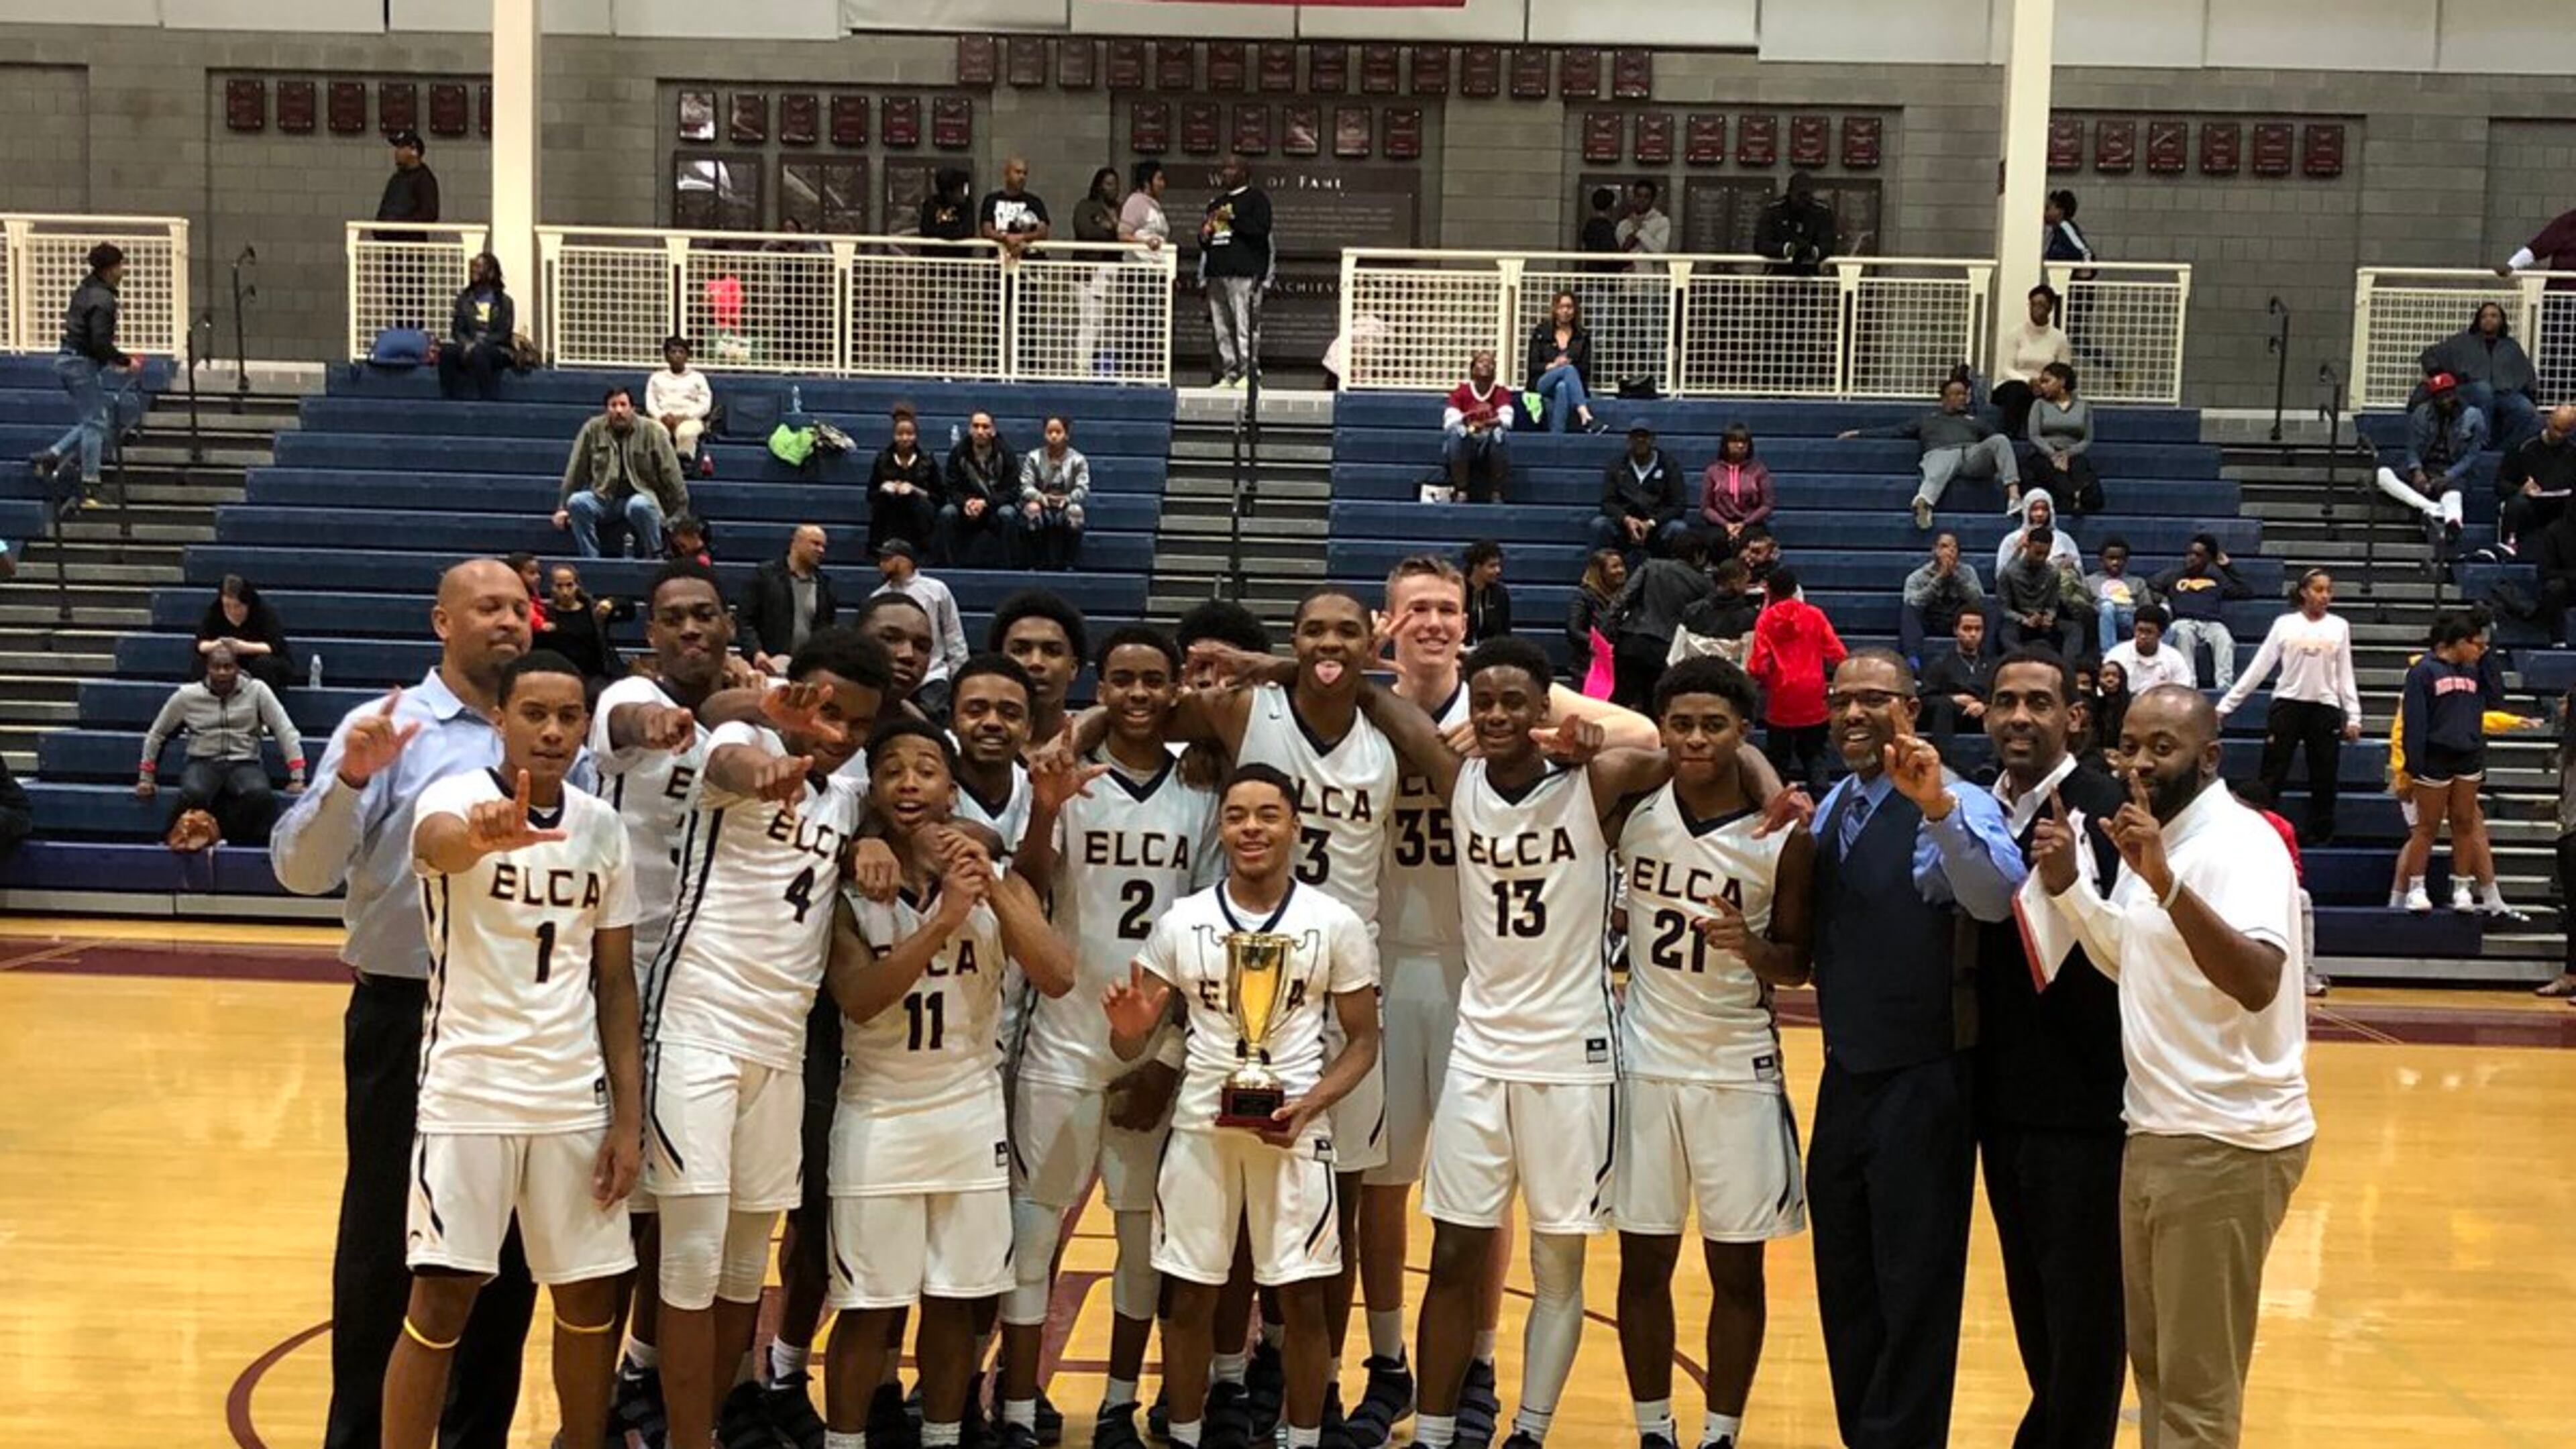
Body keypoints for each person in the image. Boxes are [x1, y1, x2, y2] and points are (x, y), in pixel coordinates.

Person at [1350, 637, 1680, 1449]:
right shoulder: (1459, 780)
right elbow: (1381, 704)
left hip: (1573, 1055)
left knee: (1557, 1264)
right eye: (1485, 701)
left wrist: (1596, 734)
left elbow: (1692, 748)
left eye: (1515, 703)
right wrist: (1334, 661)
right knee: (1456, 1251)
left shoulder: (1591, 783)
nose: (1496, 715)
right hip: (1480, 1048)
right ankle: (1433, 1431)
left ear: (1543, 711)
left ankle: (1528, 1430)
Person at [270, 558, 547, 1449]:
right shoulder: (386, 728)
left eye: (519, 607)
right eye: (489, 607)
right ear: (442, 623)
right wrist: (351, 782)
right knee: (388, 1246)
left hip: (521, 1021)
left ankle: (477, 1438)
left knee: (505, 1258)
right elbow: (301, 874)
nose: (511, 620)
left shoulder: (546, 733)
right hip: (408, 1016)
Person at [2025, 684, 2312, 1449]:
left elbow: (2256, 980)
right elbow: (2137, 960)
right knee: (2155, 1371)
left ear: (2210, 756)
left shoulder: (2238, 844)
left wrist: (2167, 883)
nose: (2141, 764)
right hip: (2156, 1130)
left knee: (2196, 1392)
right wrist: (2074, 891)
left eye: (2164, 747)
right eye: (2131, 745)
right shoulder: (2157, 839)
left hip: (2227, 1141)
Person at [382, 651, 641, 1449]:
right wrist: (479, 839)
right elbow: (437, 846)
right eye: (535, 713)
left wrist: (628, 1122)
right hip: (471, 1089)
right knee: (443, 1295)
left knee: (591, 1297)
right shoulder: (455, 798)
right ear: (500, 718)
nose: (554, 731)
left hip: (572, 1093)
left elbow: (617, 983)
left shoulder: (602, 826)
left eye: (569, 716)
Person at [641, 628, 887, 1449]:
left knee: (747, 1265)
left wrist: (881, 835)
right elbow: (725, 757)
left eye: (858, 722)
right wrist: (771, 746)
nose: (841, 733)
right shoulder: (742, 743)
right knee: (691, 1256)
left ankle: (704, 1426)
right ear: (793, 697)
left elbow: (888, 792)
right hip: (697, 1029)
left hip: (781, 1049)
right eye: (828, 712)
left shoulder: (850, 796)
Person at [1101, 762, 1381, 1449]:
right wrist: (1131, 1027)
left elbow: (1365, 1042)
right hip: (1201, 1129)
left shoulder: (1334, 922)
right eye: (1236, 816)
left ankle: (1307, 1437)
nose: (1251, 828)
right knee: (1192, 1296)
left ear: (1294, 826)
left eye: (1267, 814)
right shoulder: (1184, 920)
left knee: (1304, 1300)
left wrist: (1311, 1105)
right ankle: (1189, 1433)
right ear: (1221, 827)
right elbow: (1132, 1034)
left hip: (1295, 1133)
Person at [821, 720, 1073, 1449]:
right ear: (873, 791)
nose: (909, 783)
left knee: (959, 1302)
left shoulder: (997, 880)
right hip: (878, 1114)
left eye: (926, 770)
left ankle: (941, 1436)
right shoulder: (851, 887)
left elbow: (1057, 975)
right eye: (893, 770)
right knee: (869, 1307)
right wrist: (941, 923)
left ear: (951, 789)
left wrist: (988, 890)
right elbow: (860, 997)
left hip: (968, 1114)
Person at [1803, 650, 2026, 1449]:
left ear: (1910, 708)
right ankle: (1864, 1432)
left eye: (1874, 700)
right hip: (1845, 1072)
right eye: (1841, 701)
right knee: (1848, 1276)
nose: (1854, 714)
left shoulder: (1956, 798)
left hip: (1926, 1072)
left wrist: (1934, 808)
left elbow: (1997, 899)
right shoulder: (1832, 806)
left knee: (1916, 1282)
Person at [1000, 625, 1213, 1448]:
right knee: (1033, 1228)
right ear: (1101, 686)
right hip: (1059, 1034)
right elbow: (1024, 886)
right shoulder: (1055, 779)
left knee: (1138, 1235)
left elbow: (1204, 936)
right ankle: (1017, 1406)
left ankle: (1122, 1402)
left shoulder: (1200, 790)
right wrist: (1047, 810)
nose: (1135, 694)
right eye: (1120, 678)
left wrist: (1166, 1055)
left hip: (1147, 1043)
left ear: (1172, 692)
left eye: (1152, 680)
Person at [1610, 656, 1815, 1449]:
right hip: (1646, 1061)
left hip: (1736, 1069)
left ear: (1743, 732)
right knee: (1643, 1265)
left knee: (1738, 1272)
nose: (1696, 738)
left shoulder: (1783, 840)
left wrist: (1750, 947)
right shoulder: (1631, 807)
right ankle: (1652, 1429)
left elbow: (1798, 964)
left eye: (1715, 724)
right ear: (1663, 728)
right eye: (1682, 723)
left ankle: (1721, 1432)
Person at [1974, 648, 2129, 1449]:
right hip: (1999, 1101)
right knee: (2032, 1297)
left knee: (2087, 1308)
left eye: (2040, 702)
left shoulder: (2106, 810)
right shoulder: (1970, 804)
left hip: (2087, 1102)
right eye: (2006, 702)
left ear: (2075, 716)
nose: (2020, 717)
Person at [2216, 568, 2362, 847]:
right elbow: (2259, 666)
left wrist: (2353, 715)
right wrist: (2226, 706)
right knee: (2273, 770)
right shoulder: (2285, 624)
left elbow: (2346, 673)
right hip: (2288, 703)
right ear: (2304, 592)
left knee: (2324, 773)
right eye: (2319, 590)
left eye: (2328, 591)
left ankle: (2320, 831)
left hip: (2325, 705)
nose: (2325, 596)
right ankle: (2264, 827)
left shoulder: (2339, 626)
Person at [2392, 612, 2516, 918]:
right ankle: (2417, 888)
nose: (2480, 650)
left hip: (2467, 754)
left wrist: (2487, 658)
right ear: (2460, 642)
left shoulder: (2474, 670)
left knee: (2464, 823)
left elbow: (2496, 698)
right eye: (2476, 645)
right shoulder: (2423, 671)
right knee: (2427, 827)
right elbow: (2414, 720)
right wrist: (2413, 765)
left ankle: (2462, 887)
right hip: (2434, 757)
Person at [137, 641, 305, 845]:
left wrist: (298, 776)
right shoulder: (187, 696)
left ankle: (230, 842)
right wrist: (146, 777)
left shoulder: (257, 691)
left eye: (228, 667)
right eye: (217, 667)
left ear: (238, 668)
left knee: (260, 796)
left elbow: (284, 730)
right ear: (208, 669)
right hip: (202, 761)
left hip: (244, 762)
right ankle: (169, 842)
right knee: (193, 794)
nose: (222, 672)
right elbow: (157, 734)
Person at [28, 241, 138, 511]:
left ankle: (52, 455)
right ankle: (90, 485)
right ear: (110, 269)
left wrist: (108, 360)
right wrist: (123, 360)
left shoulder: (85, 290)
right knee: (97, 421)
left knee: (94, 419)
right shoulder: (104, 299)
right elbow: (99, 340)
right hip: (80, 363)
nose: (124, 270)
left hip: (70, 359)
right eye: (121, 265)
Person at [1841, 376, 2021, 531]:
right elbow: (1896, 431)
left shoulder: (1975, 421)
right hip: (1940, 453)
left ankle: (2014, 497)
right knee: (1944, 459)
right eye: (1956, 394)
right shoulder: (1928, 419)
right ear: (1944, 398)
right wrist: (1860, 433)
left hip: (1971, 456)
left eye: (1964, 395)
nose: (1962, 398)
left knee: (2001, 440)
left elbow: (1997, 443)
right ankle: (1924, 503)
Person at [554, 387, 689, 560]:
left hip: (640, 495)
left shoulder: (652, 431)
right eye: (613, 405)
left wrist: (679, 515)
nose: (619, 410)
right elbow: (576, 470)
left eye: (623, 405)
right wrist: (563, 507)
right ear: (606, 409)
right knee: (577, 502)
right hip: (603, 497)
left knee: (639, 506)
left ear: (632, 408)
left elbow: (671, 473)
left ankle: (655, 556)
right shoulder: (591, 429)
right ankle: (591, 560)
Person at [1747, 568, 1847, 794]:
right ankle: (1820, 806)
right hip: (1813, 696)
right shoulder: (1814, 615)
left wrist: (1763, 681)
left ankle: (1776, 805)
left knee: (1778, 761)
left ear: (1769, 590)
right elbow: (1838, 653)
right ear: (1795, 590)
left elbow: (1758, 665)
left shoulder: (1766, 620)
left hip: (1781, 699)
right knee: (1815, 756)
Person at [1606, 533, 1717, 710]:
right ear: (1699, 555)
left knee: (1618, 704)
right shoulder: (1704, 585)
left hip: (1631, 641)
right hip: (1666, 649)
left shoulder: (1651, 566)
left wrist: (1608, 635)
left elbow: (1621, 601)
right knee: (1655, 708)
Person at [2373, 371, 2485, 538]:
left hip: (2453, 470)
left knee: (2454, 494)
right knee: (2382, 475)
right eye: (2440, 397)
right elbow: (2413, 448)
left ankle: (2453, 522)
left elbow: (2471, 456)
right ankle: (2429, 507)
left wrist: (2448, 476)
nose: (2445, 401)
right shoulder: (2422, 413)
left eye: (2448, 395)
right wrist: (2417, 471)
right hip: (2426, 465)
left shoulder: (2473, 416)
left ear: (2455, 393)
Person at [2421, 301, 2542, 454]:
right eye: (2484, 316)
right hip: (2469, 391)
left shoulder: (2511, 346)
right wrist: (2439, 375)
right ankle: (2481, 444)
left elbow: (2527, 375)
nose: (2488, 319)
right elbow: (2429, 355)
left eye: (2494, 316)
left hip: (2502, 393)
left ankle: (2502, 451)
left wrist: (2530, 393)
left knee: (2527, 410)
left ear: (2501, 321)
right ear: (2478, 320)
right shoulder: (2462, 341)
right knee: (2483, 389)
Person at [1199, 154, 1274, 389]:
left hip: (1244, 271)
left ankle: (1249, 374)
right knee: (1222, 328)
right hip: (1217, 272)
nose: (1226, 172)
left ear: (1244, 172)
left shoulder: (1256, 199)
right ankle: (1229, 373)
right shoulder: (1215, 202)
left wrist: (1233, 218)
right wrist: (1204, 234)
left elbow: (1260, 231)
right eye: (1224, 168)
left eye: (1231, 168)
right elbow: (1206, 241)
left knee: (1245, 325)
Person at [872, 539, 968, 712]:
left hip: (932, 675)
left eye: (887, 559)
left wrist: (960, 678)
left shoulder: (936, 590)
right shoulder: (877, 597)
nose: (881, 564)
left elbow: (953, 635)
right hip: (893, 677)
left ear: (904, 561)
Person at [991, 588, 1091, 747]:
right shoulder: (959, 748)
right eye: (1020, 650)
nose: (1035, 662)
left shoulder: (1095, 747)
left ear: (1073, 667)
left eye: (1052, 651)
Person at [2153, 535, 2254, 690]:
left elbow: (2245, 591)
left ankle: (2224, 688)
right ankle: (2188, 686)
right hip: (2184, 620)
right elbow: (2150, 585)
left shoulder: (2217, 578)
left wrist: (2228, 567)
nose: (2192, 558)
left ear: (2209, 559)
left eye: (2198, 555)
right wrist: (2164, 598)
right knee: (2182, 634)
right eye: (2190, 554)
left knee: (2225, 639)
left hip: (2212, 622)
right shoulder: (2175, 575)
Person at [736, 524, 838, 677]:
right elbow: (745, 620)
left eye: (824, 546)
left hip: (806, 670)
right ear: (796, 543)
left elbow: (826, 630)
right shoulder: (765, 576)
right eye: (815, 544)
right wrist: (756, 652)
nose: (821, 550)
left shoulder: (825, 585)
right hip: (767, 666)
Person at [1591, 425, 1687, 557]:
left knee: (1678, 528)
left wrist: (1652, 522)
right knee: (1600, 525)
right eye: (1636, 436)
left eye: (1645, 436)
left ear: (1653, 440)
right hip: (1624, 528)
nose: (1640, 440)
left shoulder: (1669, 465)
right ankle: (1596, 576)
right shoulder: (1617, 465)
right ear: (1629, 440)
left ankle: (1672, 576)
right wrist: (1626, 519)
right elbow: (1607, 502)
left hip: (1657, 529)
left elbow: (1679, 505)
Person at [939, 411, 1018, 566]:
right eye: (976, 426)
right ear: (970, 430)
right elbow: (951, 487)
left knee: (1008, 514)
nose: (980, 431)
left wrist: (986, 503)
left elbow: (1012, 491)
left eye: (985, 427)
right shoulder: (958, 453)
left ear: (993, 431)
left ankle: (1011, 567)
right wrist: (966, 503)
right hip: (966, 508)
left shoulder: (1006, 453)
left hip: (995, 507)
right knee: (947, 513)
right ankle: (948, 566)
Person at [1993, 285, 2073, 439]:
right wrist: (2029, 381)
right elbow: (2006, 369)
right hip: (2014, 384)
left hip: (2044, 387)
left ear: (2050, 308)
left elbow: (2064, 372)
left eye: (2041, 304)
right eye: (2033, 304)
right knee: (2018, 391)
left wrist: (2045, 385)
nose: (2036, 309)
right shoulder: (2015, 333)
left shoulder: (2059, 339)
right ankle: (2010, 435)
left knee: (2044, 397)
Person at [193, 573, 294, 691]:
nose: (232, 611)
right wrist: (218, 645)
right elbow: (200, 644)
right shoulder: (215, 612)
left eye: (238, 606)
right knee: (201, 663)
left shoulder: (263, 612)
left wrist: (243, 647)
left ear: (248, 603)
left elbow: (276, 646)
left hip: (260, 661)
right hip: (228, 659)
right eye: (227, 606)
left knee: (264, 665)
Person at [1899, 533, 1986, 669]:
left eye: (1954, 547)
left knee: (1991, 608)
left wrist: (1955, 576)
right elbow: (1914, 603)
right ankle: (1913, 660)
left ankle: (1987, 658)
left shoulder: (1968, 572)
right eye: (1944, 546)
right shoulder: (1918, 576)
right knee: (1909, 610)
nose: (1949, 551)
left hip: (1959, 620)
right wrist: (1939, 578)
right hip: (1932, 619)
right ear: (1934, 550)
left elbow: (1977, 600)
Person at [2025, 364, 2102, 515]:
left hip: (2072, 452)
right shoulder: (2039, 404)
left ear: (2062, 381)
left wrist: (2067, 454)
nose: (2042, 386)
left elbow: (2087, 439)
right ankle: (2074, 496)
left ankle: (2079, 499)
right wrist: (2053, 454)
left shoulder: (2083, 406)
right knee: (2050, 468)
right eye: (2042, 382)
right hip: (2045, 452)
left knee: (2080, 465)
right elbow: (2034, 435)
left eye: (2047, 381)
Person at [437, 252, 515, 402]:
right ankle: (448, 398)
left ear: (491, 273)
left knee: (480, 353)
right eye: (473, 267)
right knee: (447, 352)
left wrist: (478, 344)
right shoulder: (464, 299)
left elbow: (504, 334)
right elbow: (457, 330)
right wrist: (466, 343)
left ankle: (486, 399)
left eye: (479, 267)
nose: (474, 270)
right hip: (468, 346)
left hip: (496, 349)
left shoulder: (505, 302)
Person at [2498, 402, 2576, 549]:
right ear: (2548, 421)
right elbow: (2501, 484)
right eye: (2556, 428)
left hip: (2562, 507)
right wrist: (2521, 489)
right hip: (2532, 506)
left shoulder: (2573, 450)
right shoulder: (2522, 446)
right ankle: (2510, 547)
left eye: (2565, 431)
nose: (2559, 435)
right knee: (2517, 504)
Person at [867, 403, 943, 554]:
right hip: (891, 513)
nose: (905, 438)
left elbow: (940, 497)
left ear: (916, 436)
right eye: (900, 434)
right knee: (884, 499)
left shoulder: (927, 460)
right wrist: (884, 488)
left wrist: (914, 490)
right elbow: (870, 495)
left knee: (912, 499)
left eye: (909, 434)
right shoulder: (882, 460)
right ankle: (882, 550)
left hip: (919, 515)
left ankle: (922, 551)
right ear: (894, 436)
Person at [1523, 289, 1601, 434]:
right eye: (1562, 307)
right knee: (1568, 370)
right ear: (1555, 309)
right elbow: (1532, 366)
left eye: (1569, 307)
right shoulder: (1541, 332)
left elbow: (1585, 369)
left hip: (1571, 384)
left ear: (1575, 310)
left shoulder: (1582, 335)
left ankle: (1557, 436)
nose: (1566, 311)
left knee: (1563, 387)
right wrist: (1553, 366)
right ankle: (1585, 414)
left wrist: (1567, 365)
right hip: (1543, 381)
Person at [1018, 415, 1090, 571]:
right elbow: (1025, 486)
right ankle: (1035, 561)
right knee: (1031, 510)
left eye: (1058, 432)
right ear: (1044, 434)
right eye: (1050, 432)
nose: (1054, 436)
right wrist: (1040, 497)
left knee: (1076, 512)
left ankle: (1069, 562)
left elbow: (1083, 488)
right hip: (1041, 503)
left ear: (1067, 435)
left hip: (1066, 504)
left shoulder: (1078, 459)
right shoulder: (1034, 457)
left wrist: (1068, 498)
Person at [1998, 526, 2084, 656]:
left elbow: (2052, 605)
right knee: (2006, 633)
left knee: (2074, 629)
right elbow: (2004, 609)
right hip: (2019, 621)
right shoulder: (2008, 573)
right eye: (2037, 553)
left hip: (2042, 621)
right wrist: (2024, 619)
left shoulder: (2053, 573)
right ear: (2028, 547)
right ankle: (2022, 659)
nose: (2042, 558)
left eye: (2046, 554)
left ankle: (2067, 667)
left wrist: (2049, 617)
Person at [1443, 352, 1515, 504]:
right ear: (1473, 369)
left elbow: (1507, 419)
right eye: (1481, 362)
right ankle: (1461, 490)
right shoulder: (1461, 391)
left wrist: (1485, 422)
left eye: (1490, 363)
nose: (1486, 365)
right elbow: (1449, 421)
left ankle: (1496, 491)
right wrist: (1470, 418)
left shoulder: (1500, 392)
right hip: (1466, 440)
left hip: (1489, 442)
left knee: (1500, 434)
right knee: (1457, 433)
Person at [535, 564, 619, 686]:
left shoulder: (593, 610)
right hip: (560, 679)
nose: (565, 592)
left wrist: (612, 602)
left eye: (569, 585)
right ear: (552, 588)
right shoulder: (546, 615)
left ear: (577, 586)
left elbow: (629, 611)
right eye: (559, 586)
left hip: (595, 677)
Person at [1919, 610, 1993, 745]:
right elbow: (1924, 699)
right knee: (1943, 706)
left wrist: (1984, 705)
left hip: (1983, 715)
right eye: (1967, 629)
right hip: (1952, 715)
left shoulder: (1993, 662)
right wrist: (1952, 699)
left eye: (1978, 629)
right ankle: (1944, 757)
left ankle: (1991, 764)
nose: (1973, 634)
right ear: (1955, 630)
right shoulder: (1940, 663)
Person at [1699, 427, 1776, 555]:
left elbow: (1767, 505)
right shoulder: (1712, 471)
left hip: (1751, 524)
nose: (1740, 446)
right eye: (1735, 442)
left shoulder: (1759, 470)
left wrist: (1744, 523)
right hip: (1720, 524)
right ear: (1726, 445)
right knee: (1715, 540)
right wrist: (1726, 525)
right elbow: (1706, 508)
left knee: (1749, 541)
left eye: (1744, 442)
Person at [646, 335, 713, 474]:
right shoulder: (656, 378)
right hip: (663, 418)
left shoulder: (698, 378)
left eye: (681, 352)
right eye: (673, 352)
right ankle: (661, 467)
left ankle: (684, 467)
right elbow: (650, 403)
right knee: (658, 432)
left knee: (686, 432)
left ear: (687, 356)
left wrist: (685, 416)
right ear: (666, 356)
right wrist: (661, 417)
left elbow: (705, 404)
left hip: (690, 418)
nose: (677, 355)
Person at [2082, 537, 2157, 657]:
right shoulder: (2089, 581)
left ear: (2126, 560)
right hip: (2104, 619)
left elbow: (2147, 610)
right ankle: (2109, 655)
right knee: (2107, 606)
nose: (2115, 562)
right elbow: (2085, 608)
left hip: (2130, 619)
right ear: (2101, 560)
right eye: (2111, 558)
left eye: (2120, 559)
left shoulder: (2137, 582)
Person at [1752, 170, 1836, 276]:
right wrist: (1787, 249)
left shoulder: (1821, 212)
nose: (1802, 200)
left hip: (1810, 278)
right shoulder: (1774, 211)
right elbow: (1761, 244)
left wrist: (1811, 251)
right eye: (1799, 195)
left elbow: (1829, 244)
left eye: (1806, 195)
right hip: (1778, 279)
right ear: (1789, 192)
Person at [1566, 549, 1628, 684]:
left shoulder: (1626, 597)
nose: (1621, 571)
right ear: (1600, 573)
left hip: (1620, 670)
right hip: (1589, 669)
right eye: (1614, 567)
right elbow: (1574, 630)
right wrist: (1600, 645)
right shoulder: (1584, 596)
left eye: (1622, 566)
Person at [2104, 604, 2196, 694]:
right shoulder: (2117, 655)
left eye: (2149, 632)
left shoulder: (2174, 658)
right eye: (2140, 630)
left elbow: (2184, 692)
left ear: (2161, 634)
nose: (2143, 636)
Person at [1996, 488, 2082, 576]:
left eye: (2044, 509)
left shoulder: (2064, 539)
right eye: (2035, 509)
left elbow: (2079, 572)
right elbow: (2001, 574)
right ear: (2027, 511)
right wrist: (2018, 550)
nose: (2040, 514)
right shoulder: (2012, 539)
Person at [979, 156, 1053, 257]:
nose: (1022, 177)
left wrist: (1021, 238)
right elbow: (986, 230)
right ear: (1007, 174)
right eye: (1018, 172)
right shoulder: (992, 200)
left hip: (1028, 265)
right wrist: (1005, 239)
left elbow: (1043, 231)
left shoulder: (1034, 202)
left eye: (1025, 173)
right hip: (999, 264)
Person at [376, 128, 441, 235]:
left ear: (414, 151)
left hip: (411, 246)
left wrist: (398, 226)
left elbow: (429, 214)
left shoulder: (424, 179)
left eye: (401, 147)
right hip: (389, 246)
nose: (397, 152)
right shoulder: (397, 178)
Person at [1462, 539, 1511, 645]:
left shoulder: (1500, 594)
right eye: (1492, 566)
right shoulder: (1458, 591)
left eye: (1499, 565)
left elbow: (1505, 633)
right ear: (1476, 567)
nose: (1498, 570)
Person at [1617, 180, 1672, 270]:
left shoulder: (1662, 222)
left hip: (1653, 280)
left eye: (1646, 197)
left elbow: (1659, 251)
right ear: (1634, 198)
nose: (1641, 200)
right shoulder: (1624, 225)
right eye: (1639, 196)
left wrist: (1640, 232)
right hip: (1630, 279)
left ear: (1652, 199)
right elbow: (1622, 251)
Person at [918, 167, 977, 244]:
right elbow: (927, 230)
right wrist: (951, 231)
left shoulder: (967, 204)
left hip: (960, 254)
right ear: (948, 193)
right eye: (960, 190)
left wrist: (942, 231)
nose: (964, 194)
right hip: (934, 253)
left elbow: (967, 231)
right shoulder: (931, 204)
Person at [1577, 186, 1621, 271]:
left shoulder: (1589, 226)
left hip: (1590, 271)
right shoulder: (1606, 229)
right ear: (1610, 207)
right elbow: (1609, 255)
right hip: (1603, 275)